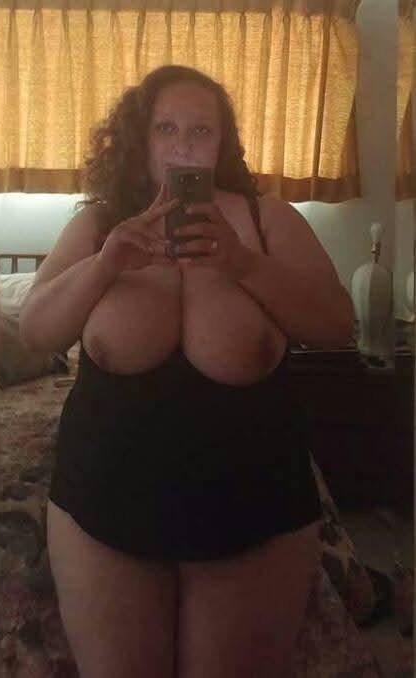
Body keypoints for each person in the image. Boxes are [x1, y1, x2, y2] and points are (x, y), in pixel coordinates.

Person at [20, 64, 355, 678]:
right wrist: (106, 264)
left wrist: (241, 264)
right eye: (166, 128)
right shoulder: (98, 225)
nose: (182, 146)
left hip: (254, 506)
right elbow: (37, 332)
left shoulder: (267, 219)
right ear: (141, 139)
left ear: (221, 143)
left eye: (201, 131)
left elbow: (337, 325)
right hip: (103, 502)